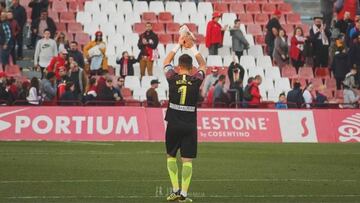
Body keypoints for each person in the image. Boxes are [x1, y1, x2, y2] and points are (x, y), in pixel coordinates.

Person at [162, 33, 206, 202]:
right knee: (187, 161)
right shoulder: (196, 80)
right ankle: (184, 195)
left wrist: (178, 45)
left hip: (173, 123)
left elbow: (166, 62)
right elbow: (203, 64)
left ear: (179, 66)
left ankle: (174, 190)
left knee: (171, 156)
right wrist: (192, 47)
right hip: (189, 125)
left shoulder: (172, 78)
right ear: (191, 67)